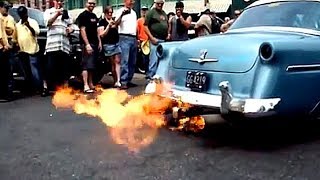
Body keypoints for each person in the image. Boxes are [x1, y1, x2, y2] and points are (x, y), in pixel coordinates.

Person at [43, 0, 74, 96]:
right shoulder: (49, 11)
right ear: (54, 1)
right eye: (59, 1)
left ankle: (65, 88)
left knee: (65, 69)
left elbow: (71, 25)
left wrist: (71, 29)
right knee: (49, 67)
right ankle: (45, 88)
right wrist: (57, 14)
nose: (60, 3)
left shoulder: (66, 13)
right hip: (52, 45)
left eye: (62, 2)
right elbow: (47, 23)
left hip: (64, 45)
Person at [16, 6, 42, 93]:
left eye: (23, 14)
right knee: (25, 70)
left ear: (26, 13)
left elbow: (36, 33)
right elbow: (16, 37)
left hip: (32, 49)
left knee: (34, 69)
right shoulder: (18, 25)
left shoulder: (32, 22)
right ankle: (29, 88)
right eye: (20, 14)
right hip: (22, 50)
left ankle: (38, 87)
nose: (22, 16)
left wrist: (28, 26)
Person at [77, 0, 102, 93]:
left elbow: (96, 31)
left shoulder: (94, 16)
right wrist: (87, 44)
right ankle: (85, 85)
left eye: (93, 4)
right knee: (86, 65)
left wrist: (99, 42)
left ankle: (91, 84)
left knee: (91, 66)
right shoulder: (83, 15)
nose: (91, 5)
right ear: (86, 4)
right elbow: (82, 30)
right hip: (87, 44)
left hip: (95, 43)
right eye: (90, 3)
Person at [114, 0, 138, 89]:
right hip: (124, 37)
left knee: (133, 61)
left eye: (133, 1)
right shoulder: (120, 11)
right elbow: (116, 23)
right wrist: (122, 15)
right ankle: (123, 81)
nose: (132, 2)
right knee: (125, 60)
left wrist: (137, 38)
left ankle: (129, 80)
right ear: (125, 1)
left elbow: (135, 27)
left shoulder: (134, 13)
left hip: (133, 37)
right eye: (130, 0)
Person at [144, 0, 168, 82]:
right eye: (158, 3)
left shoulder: (164, 13)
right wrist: (151, 38)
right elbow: (145, 26)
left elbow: (167, 24)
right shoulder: (151, 13)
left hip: (163, 40)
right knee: (153, 61)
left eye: (161, 3)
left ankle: (158, 79)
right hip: (155, 39)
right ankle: (150, 78)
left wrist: (168, 33)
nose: (160, 5)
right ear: (155, 3)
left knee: (162, 61)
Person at [98, 6, 121, 88]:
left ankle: (118, 80)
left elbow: (116, 27)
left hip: (116, 43)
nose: (110, 14)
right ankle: (115, 79)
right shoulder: (102, 22)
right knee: (112, 63)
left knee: (118, 61)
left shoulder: (113, 21)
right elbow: (102, 34)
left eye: (111, 13)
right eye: (108, 13)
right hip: (108, 44)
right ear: (105, 13)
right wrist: (108, 26)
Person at [0, 1, 15, 102]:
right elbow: (0, 35)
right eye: (5, 8)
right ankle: (5, 95)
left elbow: (11, 31)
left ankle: (6, 94)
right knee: (5, 73)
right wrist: (5, 45)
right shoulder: (0, 18)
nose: (7, 10)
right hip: (2, 48)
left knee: (6, 72)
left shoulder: (9, 18)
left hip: (6, 47)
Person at [136, 5, 149, 77]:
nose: (144, 12)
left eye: (145, 10)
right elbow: (137, 31)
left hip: (149, 40)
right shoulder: (139, 21)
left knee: (149, 58)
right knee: (144, 58)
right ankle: (146, 71)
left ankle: (148, 72)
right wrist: (138, 40)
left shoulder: (149, 20)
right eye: (143, 10)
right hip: (142, 41)